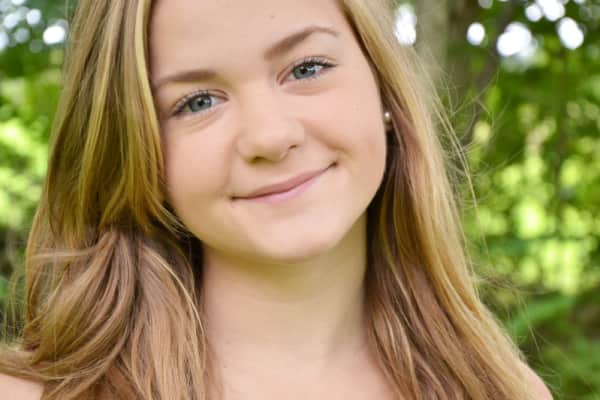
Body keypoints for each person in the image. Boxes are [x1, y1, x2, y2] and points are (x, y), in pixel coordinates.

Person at [0, 0, 553, 399]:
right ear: (137, 149)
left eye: (307, 69)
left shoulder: (502, 389)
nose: (269, 136)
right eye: (198, 102)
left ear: (384, 85)